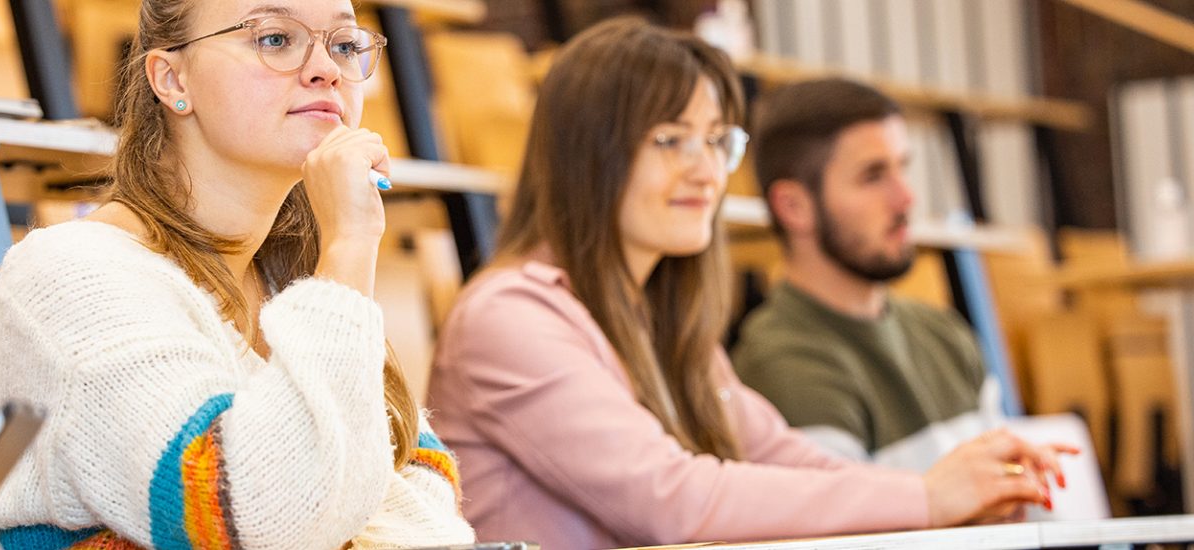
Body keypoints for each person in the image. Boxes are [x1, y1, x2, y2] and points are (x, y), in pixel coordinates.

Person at [425, 17, 1073, 549]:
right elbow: (671, 500)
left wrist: (958, 494)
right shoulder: (509, 317)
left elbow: (779, 455)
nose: (707, 172)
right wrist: (925, 499)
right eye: (672, 140)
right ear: (587, 154)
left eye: (715, 142)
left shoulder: (654, 317)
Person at [0, 0, 473, 545]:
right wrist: (350, 242)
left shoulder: (293, 283)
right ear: (171, 77)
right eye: (275, 39)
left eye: (345, 44)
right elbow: (258, 516)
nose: (326, 68)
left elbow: (424, 484)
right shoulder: (69, 273)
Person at [731, 78, 1002, 470]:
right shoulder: (783, 364)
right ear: (793, 207)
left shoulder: (946, 333)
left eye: (901, 168)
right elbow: (849, 526)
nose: (906, 198)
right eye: (873, 176)